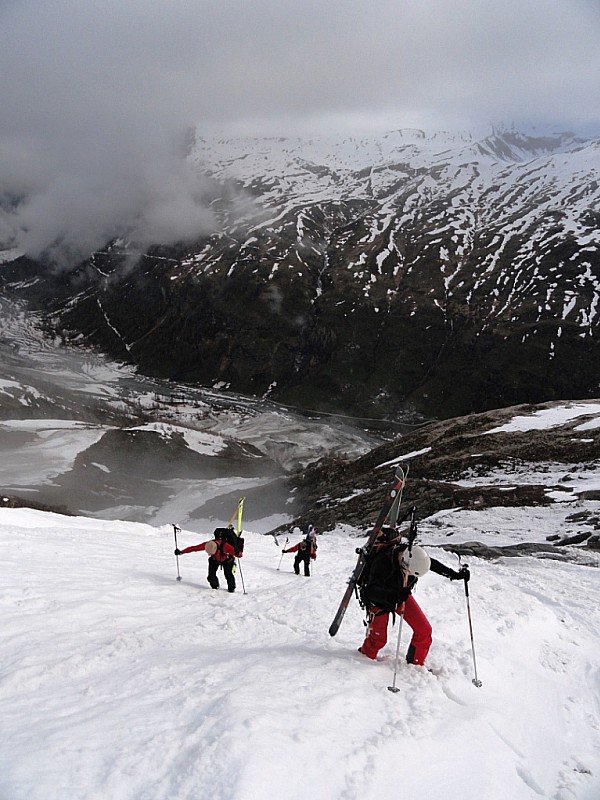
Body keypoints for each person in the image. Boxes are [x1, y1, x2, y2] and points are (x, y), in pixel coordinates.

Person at [357, 528, 469, 665]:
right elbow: (371, 592)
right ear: (404, 564)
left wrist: (454, 575)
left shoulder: (413, 555)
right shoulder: (382, 562)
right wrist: (395, 596)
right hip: (379, 602)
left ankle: (416, 665)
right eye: (409, 573)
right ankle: (360, 663)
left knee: (424, 631)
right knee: (378, 640)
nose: (409, 575)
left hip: (401, 595)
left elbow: (430, 564)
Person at [174, 527, 242, 593]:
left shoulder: (225, 546)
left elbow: (240, 555)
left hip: (227, 560)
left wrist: (237, 552)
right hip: (215, 559)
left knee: (228, 575)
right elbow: (194, 548)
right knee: (211, 576)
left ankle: (231, 589)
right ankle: (215, 587)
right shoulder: (208, 544)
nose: (209, 554)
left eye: (211, 553)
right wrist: (181, 552)